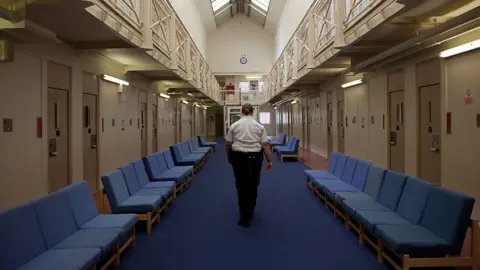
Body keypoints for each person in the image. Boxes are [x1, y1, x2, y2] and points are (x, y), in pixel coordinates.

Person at [225, 103, 273, 227]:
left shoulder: (234, 126)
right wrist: (269, 161)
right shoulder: (259, 126)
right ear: (252, 112)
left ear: (242, 112)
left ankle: (244, 215)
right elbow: (266, 145)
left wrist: (229, 157)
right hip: (255, 158)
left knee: (241, 185)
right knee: (253, 183)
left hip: (238, 157)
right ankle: (250, 208)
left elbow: (228, 144)